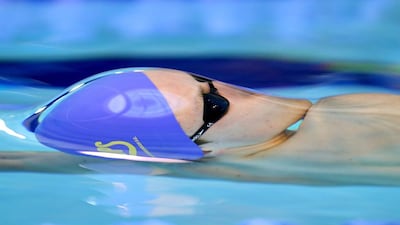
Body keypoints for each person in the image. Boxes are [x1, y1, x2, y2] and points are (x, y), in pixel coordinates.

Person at [1, 68, 400, 186]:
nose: (238, 91)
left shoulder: (234, 166)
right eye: (214, 105)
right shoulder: (348, 117)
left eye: (205, 81)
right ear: (205, 148)